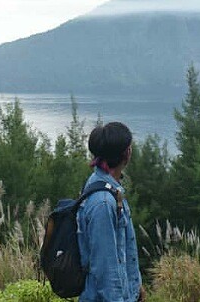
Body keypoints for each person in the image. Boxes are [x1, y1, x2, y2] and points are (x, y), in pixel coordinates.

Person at [77, 122, 145, 302]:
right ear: (127, 153)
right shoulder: (104, 202)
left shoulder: (104, 185)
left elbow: (123, 249)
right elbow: (104, 267)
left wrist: (136, 286)